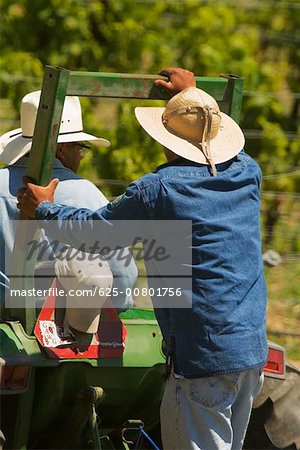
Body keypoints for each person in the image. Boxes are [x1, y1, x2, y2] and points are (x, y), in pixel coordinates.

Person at [18, 67, 267, 450]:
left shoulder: (160, 189)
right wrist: (195, 99)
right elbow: (214, 141)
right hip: (249, 352)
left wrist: (47, 209)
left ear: (165, 138)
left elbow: (97, 234)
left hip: (201, 358)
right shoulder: (248, 171)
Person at [0, 90, 137, 311]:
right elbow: (123, 276)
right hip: (71, 322)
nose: (80, 159)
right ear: (62, 149)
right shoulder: (87, 194)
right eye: (81, 150)